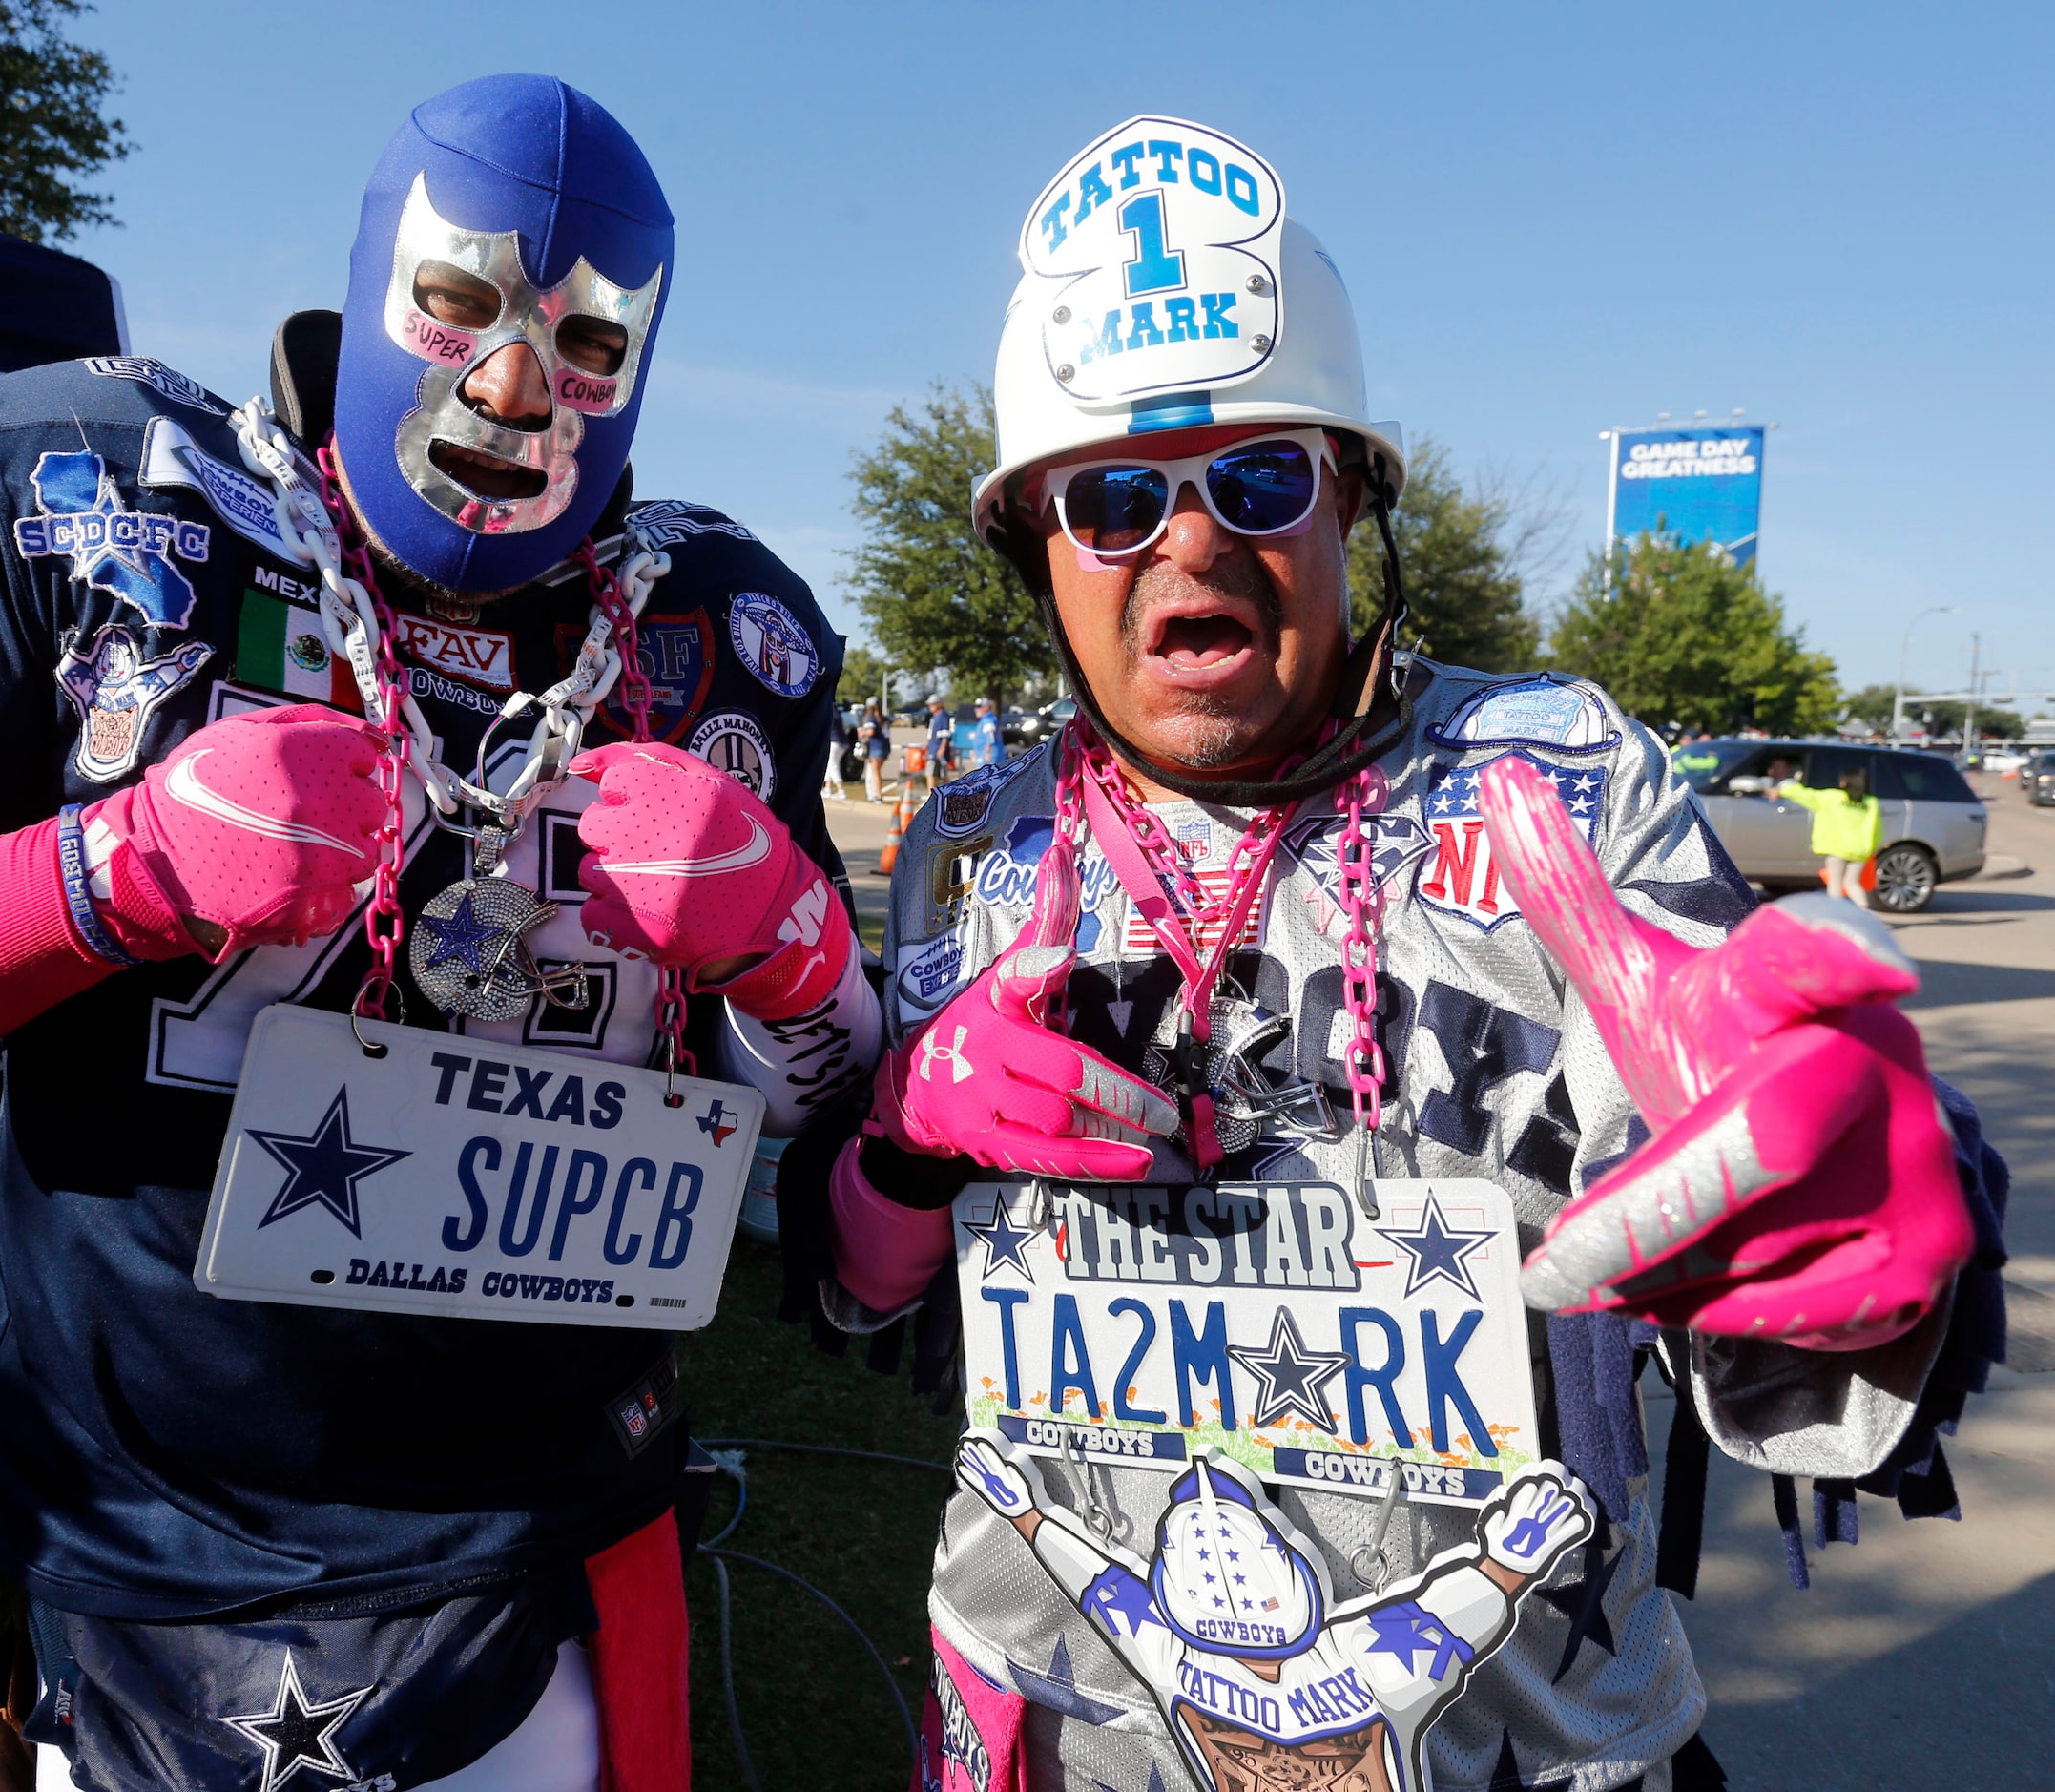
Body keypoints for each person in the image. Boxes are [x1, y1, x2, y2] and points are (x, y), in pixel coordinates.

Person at [0, 76, 880, 1792]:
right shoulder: (85, 486)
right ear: (380, 272)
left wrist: (792, 947)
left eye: (590, 342)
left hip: (558, 1538)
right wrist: (112, 870)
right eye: (459, 302)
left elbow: (841, 1120)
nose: (517, 386)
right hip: (161, 1556)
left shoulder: (719, 625)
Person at [794, 114, 2002, 1792]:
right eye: (1115, 497)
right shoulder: (970, 846)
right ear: (1031, 551)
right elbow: (858, 1305)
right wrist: (897, 1144)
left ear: (1350, 496)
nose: (1192, 543)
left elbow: (1773, 1280)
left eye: (1260, 477)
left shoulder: (1555, 786)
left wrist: (1862, 1219)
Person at [1772, 763, 1883, 907]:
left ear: (1844, 782)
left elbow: (1805, 794)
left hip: (1836, 848)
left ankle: (1836, 914)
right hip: (1860, 851)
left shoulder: (1832, 797)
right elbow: (1877, 829)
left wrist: (1783, 789)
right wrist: (1871, 848)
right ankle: (1865, 912)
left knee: (1835, 883)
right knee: (1852, 883)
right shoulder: (1871, 802)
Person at [926, 693, 958, 788]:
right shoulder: (936, 717)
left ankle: (933, 797)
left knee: (932, 774)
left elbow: (945, 734)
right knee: (939, 775)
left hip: (937, 750)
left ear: (939, 704)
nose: (930, 707)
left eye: (933, 704)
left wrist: (942, 748)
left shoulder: (942, 716)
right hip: (934, 749)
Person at [863, 703, 891, 802]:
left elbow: (871, 731)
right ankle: (872, 793)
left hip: (875, 747)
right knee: (874, 772)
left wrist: (862, 733)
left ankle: (877, 795)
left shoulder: (871, 718)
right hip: (885, 747)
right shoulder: (884, 718)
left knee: (875, 772)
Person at [824, 700, 851, 801]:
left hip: (834, 741)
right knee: (830, 765)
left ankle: (841, 790)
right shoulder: (839, 715)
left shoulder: (828, 714)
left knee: (833, 766)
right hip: (843, 742)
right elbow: (846, 729)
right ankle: (828, 788)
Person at [971, 694, 1006, 769]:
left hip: (988, 756)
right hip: (984, 754)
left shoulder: (988, 720)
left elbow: (990, 738)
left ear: (986, 707)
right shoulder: (987, 719)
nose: (976, 709)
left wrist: (987, 753)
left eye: (979, 707)